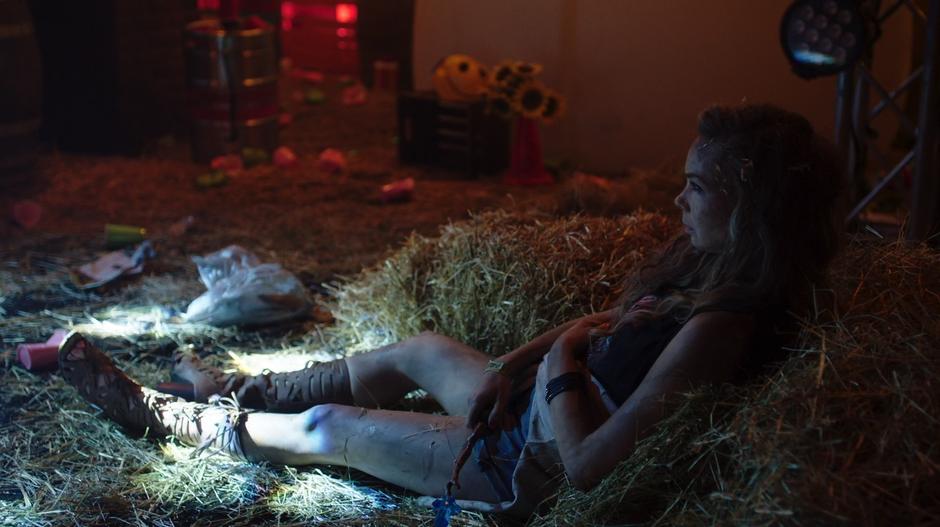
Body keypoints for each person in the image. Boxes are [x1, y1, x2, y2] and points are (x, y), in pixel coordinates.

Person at [58, 104, 845, 517]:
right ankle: (231, 389)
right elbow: (595, 330)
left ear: (751, 204)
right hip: (529, 404)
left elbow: (589, 465)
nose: (677, 196)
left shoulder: (719, 326)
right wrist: (515, 364)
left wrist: (561, 363)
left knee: (334, 428)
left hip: (523, 466)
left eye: (698, 187)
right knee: (424, 346)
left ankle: (171, 419)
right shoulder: (704, 266)